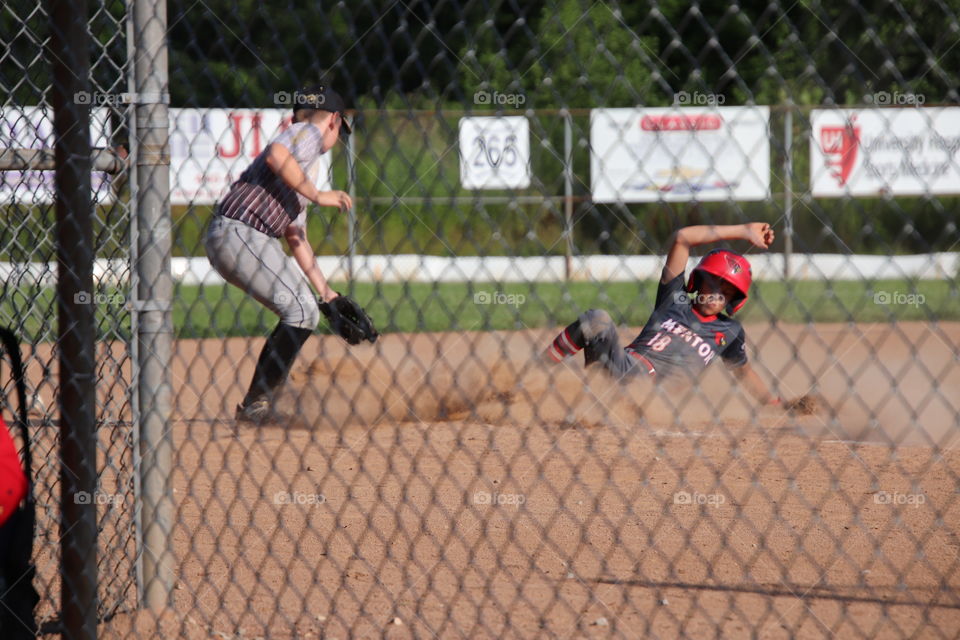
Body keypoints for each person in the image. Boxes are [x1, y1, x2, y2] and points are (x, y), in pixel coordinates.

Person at [205, 84, 367, 425]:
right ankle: (256, 404)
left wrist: (328, 294)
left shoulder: (306, 165)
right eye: (340, 131)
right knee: (299, 309)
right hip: (241, 232)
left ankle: (259, 401)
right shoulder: (306, 131)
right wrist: (319, 195)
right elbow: (277, 157)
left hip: (246, 238)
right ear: (334, 121)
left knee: (305, 309)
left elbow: (295, 235)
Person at [545, 222, 792, 407]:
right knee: (596, 319)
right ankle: (538, 372)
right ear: (699, 280)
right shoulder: (676, 299)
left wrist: (774, 403)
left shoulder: (729, 331)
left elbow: (744, 373)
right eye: (714, 284)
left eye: (727, 292)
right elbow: (683, 238)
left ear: (734, 300)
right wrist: (743, 230)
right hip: (622, 366)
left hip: (651, 395)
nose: (717, 294)